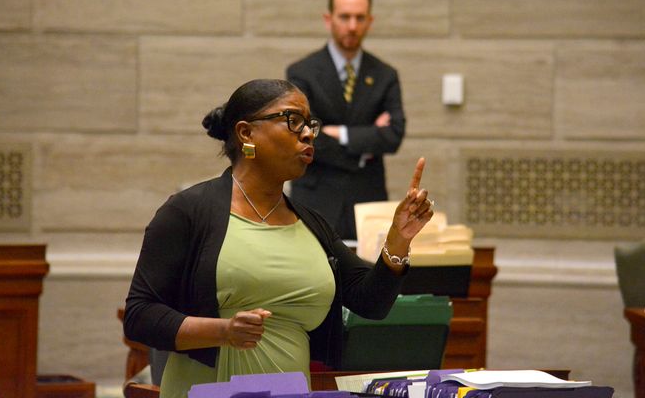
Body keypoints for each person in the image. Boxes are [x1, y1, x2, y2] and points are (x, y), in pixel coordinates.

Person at [123, 79, 433, 398]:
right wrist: (223, 332)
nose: (308, 133)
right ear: (246, 133)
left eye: (309, 123)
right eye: (292, 120)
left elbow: (371, 301)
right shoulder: (189, 212)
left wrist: (399, 239)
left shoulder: (312, 225)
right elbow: (139, 316)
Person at [286, 0, 406, 242]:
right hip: (316, 200)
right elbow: (303, 135)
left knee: (366, 278)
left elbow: (394, 134)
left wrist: (338, 133)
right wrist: (366, 145)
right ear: (328, 19)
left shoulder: (385, 75)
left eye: (360, 18)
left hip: (367, 201)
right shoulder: (301, 72)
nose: (352, 26)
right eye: (345, 17)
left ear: (370, 21)